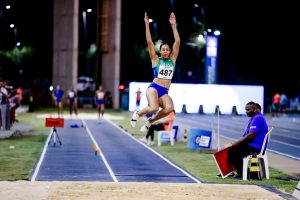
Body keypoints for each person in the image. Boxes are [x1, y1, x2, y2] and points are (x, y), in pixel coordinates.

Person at [130, 12, 180, 132]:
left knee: (169, 108)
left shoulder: (172, 60)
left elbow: (177, 42)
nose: (165, 51)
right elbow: (149, 42)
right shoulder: (155, 59)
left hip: (165, 91)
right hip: (154, 87)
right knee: (153, 108)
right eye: (163, 49)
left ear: (169, 52)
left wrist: (173, 25)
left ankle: (150, 122)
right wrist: (147, 25)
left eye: (167, 50)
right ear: (160, 51)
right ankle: (139, 113)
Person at [223, 101, 268, 179]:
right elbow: (246, 136)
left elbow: (251, 136)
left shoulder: (257, 118)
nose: (246, 112)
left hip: (255, 148)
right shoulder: (255, 118)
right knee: (232, 148)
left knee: (232, 151)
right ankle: (242, 172)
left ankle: (244, 174)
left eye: (248, 110)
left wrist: (234, 144)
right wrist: (233, 143)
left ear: (254, 110)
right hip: (252, 145)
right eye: (246, 110)